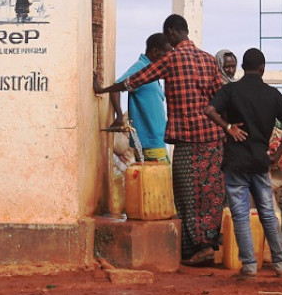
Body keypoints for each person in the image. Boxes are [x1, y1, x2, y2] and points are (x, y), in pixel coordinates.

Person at [96, 14, 224, 265]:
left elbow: (133, 81)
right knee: (210, 192)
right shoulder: (210, 60)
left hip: (187, 140)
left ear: (172, 32)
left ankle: (194, 249)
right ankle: (209, 242)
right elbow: (221, 96)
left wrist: (102, 90)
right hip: (212, 138)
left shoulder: (171, 59)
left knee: (186, 194)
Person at [203, 48, 282, 280]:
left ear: (243, 67)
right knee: (267, 212)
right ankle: (281, 266)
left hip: (235, 162)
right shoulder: (273, 94)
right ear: (263, 68)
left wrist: (228, 127)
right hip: (260, 161)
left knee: (241, 215)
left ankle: (249, 267)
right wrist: (277, 154)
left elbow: (209, 110)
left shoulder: (231, 90)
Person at [115, 33, 172, 161]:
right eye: (165, 55)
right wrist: (119, 115)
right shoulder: (140, 68)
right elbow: (117, 86)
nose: (167, 60)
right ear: (155, 52)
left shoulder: (152, 71)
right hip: (149, 142)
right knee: (158, 180)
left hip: (157, 140)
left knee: (160, 180)